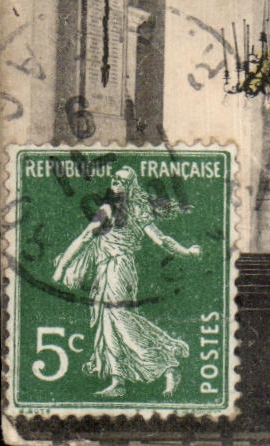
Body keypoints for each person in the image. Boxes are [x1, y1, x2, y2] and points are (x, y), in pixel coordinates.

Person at [52, 167, 200, 397]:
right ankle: (118, 380)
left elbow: (161, 239)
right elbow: (85, 237)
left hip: (119, 269)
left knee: (121, 320)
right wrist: (62, 266)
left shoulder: (134, 210)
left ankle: (168, 364)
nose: (115, 183)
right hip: (106, 270)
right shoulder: (107, 210)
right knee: (108, 323)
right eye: (114, 179)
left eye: (121, 180)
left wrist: (187, 252)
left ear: (131, 185)